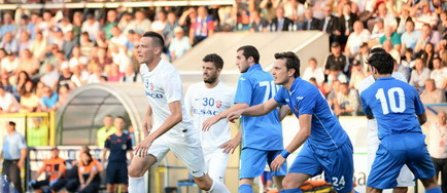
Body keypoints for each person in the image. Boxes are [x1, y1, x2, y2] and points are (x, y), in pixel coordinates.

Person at [227, 51, 354, 193]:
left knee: (344, 191)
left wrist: (283, 154)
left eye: (277, 69)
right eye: (273, 68)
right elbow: (264, 107)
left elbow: (305, 131)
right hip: (313, 147)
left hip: (334, 148)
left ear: (291, 72)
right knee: (288, 184)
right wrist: (242, 111)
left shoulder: (305, 92)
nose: (273, 72)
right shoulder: (284, 91)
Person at [128, 31, 229, 193]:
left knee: (203, 183)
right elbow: (154, 93)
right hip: (160, 131)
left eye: (143, 46)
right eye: (138, 46)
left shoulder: (168, 74)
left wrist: (149, 139)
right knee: (134, 170)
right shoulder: (144, 69)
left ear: (156, 50)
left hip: (181, 134)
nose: (138, 50)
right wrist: (148, 113)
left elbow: (177, 115)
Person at [203, 45, 287, 193]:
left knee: (245, 182)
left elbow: (243, 104)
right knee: (282, 184)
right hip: (275, 137)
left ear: (250, 59)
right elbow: (286, 106)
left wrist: (218, 116)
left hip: (255, 139)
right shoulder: (271, 77)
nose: (236, 62)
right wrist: (273, 120)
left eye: (239, 58)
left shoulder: (246, 77)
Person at [359, 50, 441, 193]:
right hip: (415, 140)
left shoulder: (367, 92)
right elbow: (423, 118)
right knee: (431, 183)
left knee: (373, 188)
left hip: (390, 142)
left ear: (374, 68)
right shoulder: (409, 88)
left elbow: (370, 116)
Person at [358, 48, 415, 193]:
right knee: (374, 186)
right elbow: (369, 115)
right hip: (378, 139)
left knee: (401, 185)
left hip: (400, 136)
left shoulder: (400, 77)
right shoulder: (365, 84)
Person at [184, 53, 235, 182]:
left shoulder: (229, 92)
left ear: (218, 71)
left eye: (209, 68)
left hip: (219, 147)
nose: (205, 72)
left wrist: (236, 139)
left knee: (215, 183)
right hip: (198, 148)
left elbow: (245, 116)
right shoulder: (193, 89)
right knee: (204, 185)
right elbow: (183, 117)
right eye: (203, 68)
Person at [102, 116, 133, 193]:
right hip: (112, 163)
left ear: (124, 124)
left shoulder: (127, 137)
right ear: (114, 123)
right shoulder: (110, 137)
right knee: (110, 186)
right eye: (117, 122)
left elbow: (130, 152)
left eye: (121, 122)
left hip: (122, 164)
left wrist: (131, 164)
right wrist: (103, 165)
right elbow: (104, 152)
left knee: (124, 186)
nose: (119, 124)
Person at [1, 121, 27, 193]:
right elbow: (4, 149)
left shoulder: (18, 136)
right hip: (6, 161)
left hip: (14, 161)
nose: (6, 128)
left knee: (15, 181)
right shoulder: (6, 137)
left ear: (12, 126)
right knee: (4, 180)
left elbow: (23, 149)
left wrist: (21, 161)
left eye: (8, 126)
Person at [429, 111, 447, 193]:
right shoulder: (433, 126)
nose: (442, 118)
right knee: (433, 181)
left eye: (444, 117)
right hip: (434, 158)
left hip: (446, 159)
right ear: (437, 117)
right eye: (440, 116)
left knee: (445, 182)